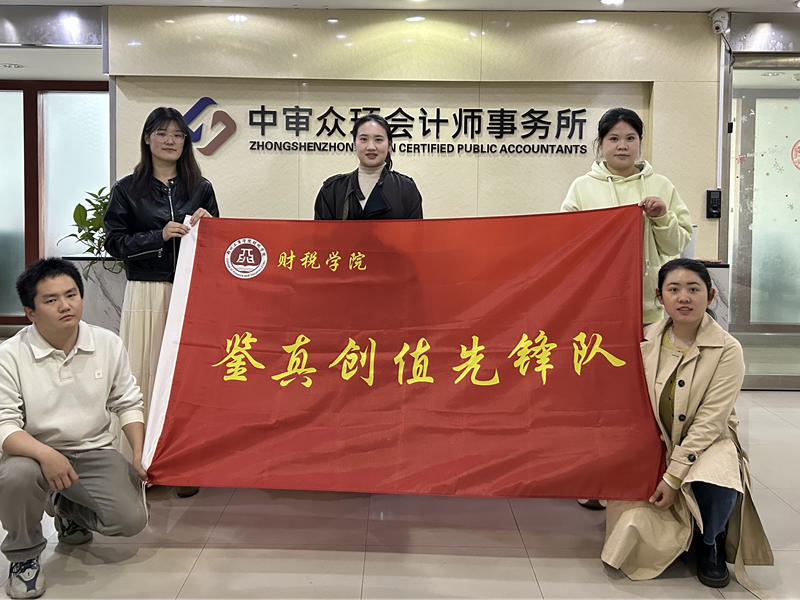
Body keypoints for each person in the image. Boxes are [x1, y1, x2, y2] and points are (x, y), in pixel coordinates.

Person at [602, 259, 772, 593]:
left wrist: (673, 476)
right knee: (633, 540)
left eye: (693, 289)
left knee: (719, 474)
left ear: (710, 296)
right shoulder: (642, 340)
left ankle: (711, 541)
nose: (684, 297)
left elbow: (711, 420)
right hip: (655, 440)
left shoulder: (728, 349)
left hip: (708, 441)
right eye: (674, 289)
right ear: (659, 296)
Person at [0, 259, 148, 600]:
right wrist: (46, 454)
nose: (65, 306)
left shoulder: (107, 343)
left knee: (131, 521)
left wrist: (139, 453)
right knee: (16, 476)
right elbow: (4, 425)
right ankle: (24, 557)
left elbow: (127, 401)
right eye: (51, 300)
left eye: (71, 295)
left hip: (94, 451)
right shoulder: (10, 355)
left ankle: (64, 507)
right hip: (32, 454)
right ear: (30, 312)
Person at [105, 107, 219, 498]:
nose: (170, 141)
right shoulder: (127, 189)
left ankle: (184, 463)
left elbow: (217, 245)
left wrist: (210, 226)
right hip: (147, 290)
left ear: (186, 142)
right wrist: (159, 236)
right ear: (147, 138)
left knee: (186, 378)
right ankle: (141, 463)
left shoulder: (201, 188)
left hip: (190, 293)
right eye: (162, 133)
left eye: (178, 134)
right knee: (144, 376)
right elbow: (115, 243)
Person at [561, 107, 693, 325]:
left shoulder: (661, 185)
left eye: (630, 138)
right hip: (595, 302)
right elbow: (567, 245)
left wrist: (662, 217)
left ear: (640, 142)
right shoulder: (582, 187)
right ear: (600, 143)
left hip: (647, 306)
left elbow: (675, 247)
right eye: (614, 138)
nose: (622, 146)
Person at [314, 114, 423, 220]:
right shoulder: (332, 189)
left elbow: (415, 231)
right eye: (364, 139)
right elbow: (321, 231)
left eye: (378, 140)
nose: (371, 147)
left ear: (390, 145)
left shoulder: (406, 188)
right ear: (354, 144)